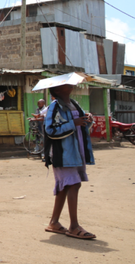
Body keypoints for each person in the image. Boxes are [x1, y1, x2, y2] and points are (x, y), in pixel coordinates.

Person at [43, 84, 96, 240]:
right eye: (66, 84)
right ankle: (73, 226)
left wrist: (87, 120)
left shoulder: (73, 104)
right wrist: (74, 122)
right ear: (57, 90)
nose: (70, 85)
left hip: (76, 151)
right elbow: (50, 129)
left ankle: (54, 222)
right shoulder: (54, 106)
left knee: (65, 187)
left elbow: (81, 125)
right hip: (63, 153)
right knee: (73, 184)